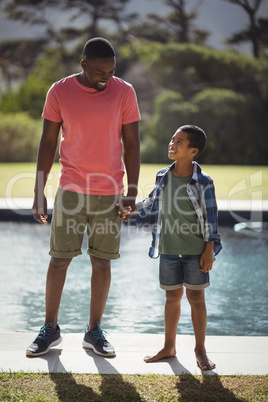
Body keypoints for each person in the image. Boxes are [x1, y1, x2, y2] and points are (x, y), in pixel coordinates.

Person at [26, 37, 140, 358]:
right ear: (83, 64)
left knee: (101, 262)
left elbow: (132, 143)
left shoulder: (124, 92)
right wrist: (39, 191)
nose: (106, 77)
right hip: (71, 191)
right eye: (99, 72)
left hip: (110, 193)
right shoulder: (59, 91)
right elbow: (48, 142)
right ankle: (50, 329)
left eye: (111, 71)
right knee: (59, 260)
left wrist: (131, 191)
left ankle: (94, 331)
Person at [120, 125, 222, 370]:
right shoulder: (163, 176)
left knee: (196, 297)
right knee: (171, 297)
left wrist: (209, 248)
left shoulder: (204, 182)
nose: (172, 144)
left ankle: (200, 348)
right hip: (168, 249)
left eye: (179, 142)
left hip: (195, 251)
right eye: (172, 139)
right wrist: (130, 209)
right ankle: (169, 346)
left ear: (193, 151)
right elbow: (152, 203)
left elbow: (211, 217)